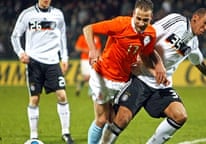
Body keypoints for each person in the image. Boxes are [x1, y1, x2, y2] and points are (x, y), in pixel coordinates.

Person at [99, 8, 206, 144]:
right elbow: (148, 35)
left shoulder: (193, 44)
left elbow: (200, 63)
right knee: (122, 119)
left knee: (180, 116)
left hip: (161, 86)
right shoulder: (177, 21)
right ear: (195, 18)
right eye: (205, 23)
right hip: (140, 77)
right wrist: (146, 59)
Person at [82, 0, 168, 143]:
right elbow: (88, 29)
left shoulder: (150, 33)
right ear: (133, 14)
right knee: (102, 119)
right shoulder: (120, 24)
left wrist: (155, 71)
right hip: (103, 77)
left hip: (123, 81)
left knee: (111, 120)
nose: (141, 23)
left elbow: (146, 55)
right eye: (138, 18)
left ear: (151, 17)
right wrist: (93, 50)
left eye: (145, 20)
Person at [10, 0, 74, 143]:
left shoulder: (58, 14)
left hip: (52, 62)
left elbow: (63, 36)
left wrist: (64, 57)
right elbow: (15, 36)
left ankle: (66, 133)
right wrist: (20, 53)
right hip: (34, 62)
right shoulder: (27, 15)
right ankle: (34, 136)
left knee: (62, 95)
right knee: (34, 99)